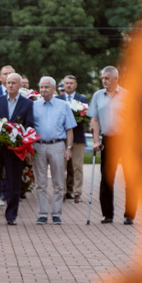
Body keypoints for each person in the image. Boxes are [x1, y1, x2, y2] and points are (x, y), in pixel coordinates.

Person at [0, 72, 35, 225]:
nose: (10, 85)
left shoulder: (27, 104)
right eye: (8, 82)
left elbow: (30, 125)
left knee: (14, 182)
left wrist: (23, 142)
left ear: (20, 85)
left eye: (13, 83)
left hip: (15, 149)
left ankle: (11, 215)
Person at [89, 66, 137, 225]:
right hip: (107, 140)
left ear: (116, 79)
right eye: (102, 78)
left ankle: (129, 214)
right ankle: (107, 214)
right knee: (106, 178)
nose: (104, 81)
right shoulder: (97, 96)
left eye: (107, 78)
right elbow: (94, 120)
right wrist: (96, 140)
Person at [32, 77, 76, 224]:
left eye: (46, 87)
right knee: (40, 182)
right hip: (39, 146)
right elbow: (29, 128)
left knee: (58, 181)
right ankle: (43, 213)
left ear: (54, 88)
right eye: (41, 87)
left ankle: (56, 213)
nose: (43, 90)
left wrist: (69, 148)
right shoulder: (34, 106)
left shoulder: (63, 106)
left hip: (57, 145)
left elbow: (69, 129)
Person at [57, 75, 88, 203]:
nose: (69, 85)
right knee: (61, 166)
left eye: (71, 83)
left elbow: (85, 117)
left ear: (75, 85)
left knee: (77, 166)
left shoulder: (82, 99)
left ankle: (77, 193)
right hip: (62, 137)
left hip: (78, 137)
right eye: (66, 83)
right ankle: (62, 192)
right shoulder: (58, 99)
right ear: (63, 85)